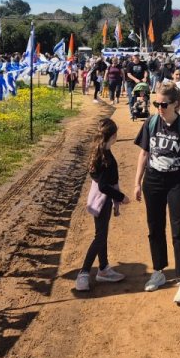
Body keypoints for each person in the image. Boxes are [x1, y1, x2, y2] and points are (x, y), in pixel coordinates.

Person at [134, 82, 180, 305]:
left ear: (176, 103)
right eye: (156, 104)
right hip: (153, 182)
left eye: (163, 104)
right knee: (155, 228)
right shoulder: (151, 123)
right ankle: (159, 271)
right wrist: (136, 183)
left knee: (179, 231)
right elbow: (144, 154)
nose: (159, 108)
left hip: (177, 183)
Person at [75, 118, 129, 291]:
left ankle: (104, 268)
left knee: (102, 234)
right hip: (102, 200)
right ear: (113, 136)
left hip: (96, 198)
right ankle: (83, 273)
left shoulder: (98, 151)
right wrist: (121, 196)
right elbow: (104, 186)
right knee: (99, 237)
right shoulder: (106, 158)